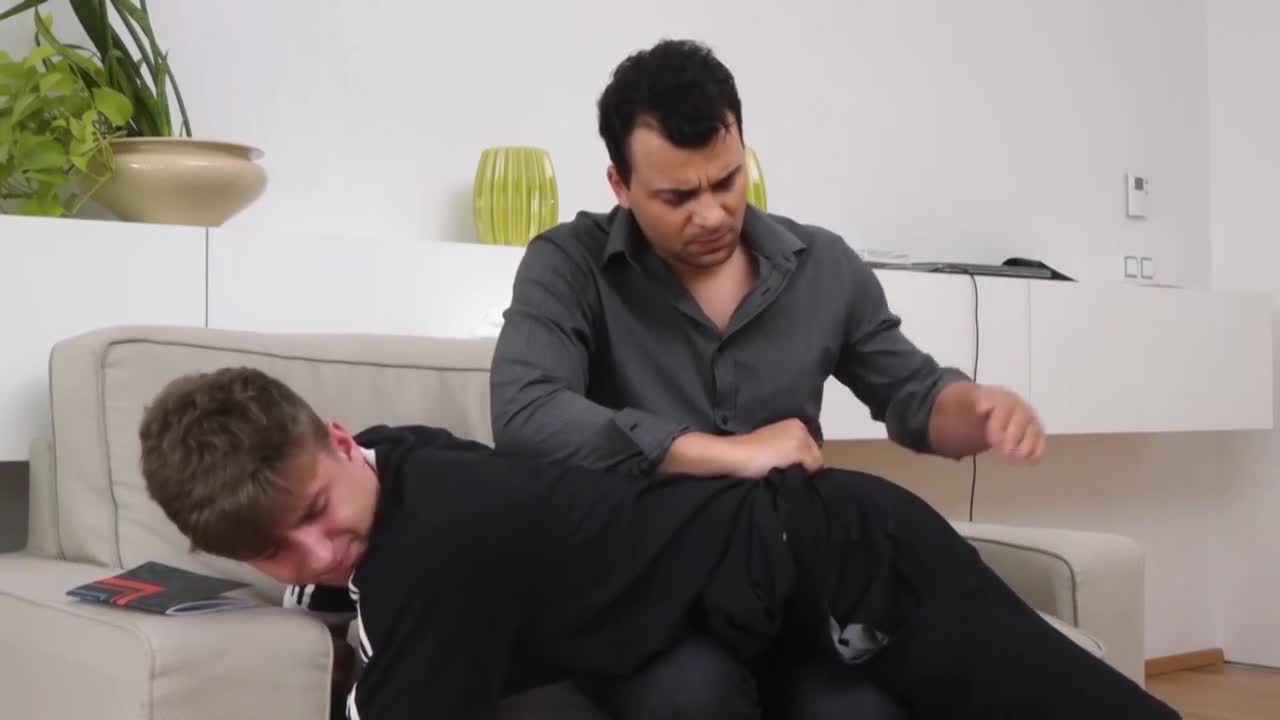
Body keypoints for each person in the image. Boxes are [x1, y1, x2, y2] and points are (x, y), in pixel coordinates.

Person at [489, 38, 1046, 720]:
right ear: (620, 186)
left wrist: (978, 410)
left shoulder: (823, 266)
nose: (711, 213)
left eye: (726, 181)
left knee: (861, 714)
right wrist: (728, 453)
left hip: (788, 592)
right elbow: (527, 414)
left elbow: (916, 397)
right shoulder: (567, 264)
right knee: (695, 700)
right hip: (645, 599)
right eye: (677, 196)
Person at [137, 366, 1178, 720]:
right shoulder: (395, 460)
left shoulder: (437, 548)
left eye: (319, 511)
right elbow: (347, 559)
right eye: (279, 552)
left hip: (841, 553)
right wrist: (305, 590)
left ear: (334, 441)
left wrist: (320, 601)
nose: (321, 552)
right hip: (767, 588)